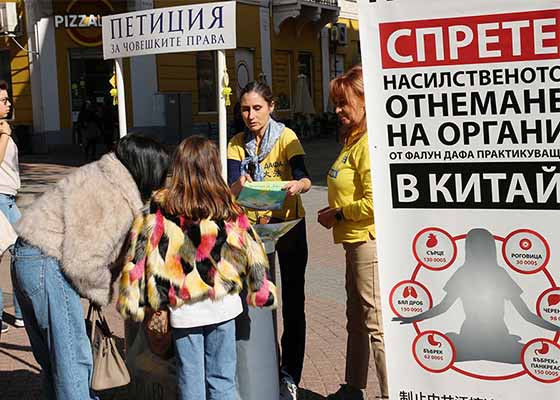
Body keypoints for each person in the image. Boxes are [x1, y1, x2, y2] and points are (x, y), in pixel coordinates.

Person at [11, 133, 170, 400]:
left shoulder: (99, 176)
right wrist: (106, 291)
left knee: (56, 363)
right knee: (72, 363)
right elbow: (83, 263)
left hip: (29, 259)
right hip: (46, 264)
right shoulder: (111, 196)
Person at [117, 136, 277, 400]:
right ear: (214, 168)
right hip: (223, 307)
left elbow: (138, 256)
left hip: (185, 311)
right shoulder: (227, 207)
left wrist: (132, 299)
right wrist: (261, 290)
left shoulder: (159, 209)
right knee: (223, 380)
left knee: (190, 381)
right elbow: (253, 250)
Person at [227, 81, 312, 400]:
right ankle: (254, 369)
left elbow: (303, 174)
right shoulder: (236, 143)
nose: (250, 115)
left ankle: (289, 374)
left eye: (257, 108)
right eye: (245, 109)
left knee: (292, 302)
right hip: (251, 231)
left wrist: (299, 185)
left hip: (288, 226)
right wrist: (239, 185)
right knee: (254, 300)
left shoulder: (286, 137)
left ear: (271, 107)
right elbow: (230, 188)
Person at [318, 66, 388, 400]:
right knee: (356, 318)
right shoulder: (353, 140)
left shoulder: (368, 142)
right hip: (352, 240)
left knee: (375, 324)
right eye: (336, 103)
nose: (338, 111)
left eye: (344, 103)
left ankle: (391, 392)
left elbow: (376, 202)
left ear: (363, 100)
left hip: (367, 242)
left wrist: (339, 213)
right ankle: (353, 386)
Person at [394, 228, 560, 363]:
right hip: (484, 340)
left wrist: (556, 328)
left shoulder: (478, 273)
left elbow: (527, 315)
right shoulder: (491, 273)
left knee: (446, 346)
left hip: (484, 340)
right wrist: (412, 318)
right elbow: (527, 315)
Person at [0, 80, 23, 335]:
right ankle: (19, 314)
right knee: (24, 253)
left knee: (23, 253)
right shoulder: (2, 131)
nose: (8, 104)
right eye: (4, 100)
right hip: (0, 198)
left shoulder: (4, 127)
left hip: (8, 197)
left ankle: (19, 314)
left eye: (8, 100)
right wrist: (5, 135)